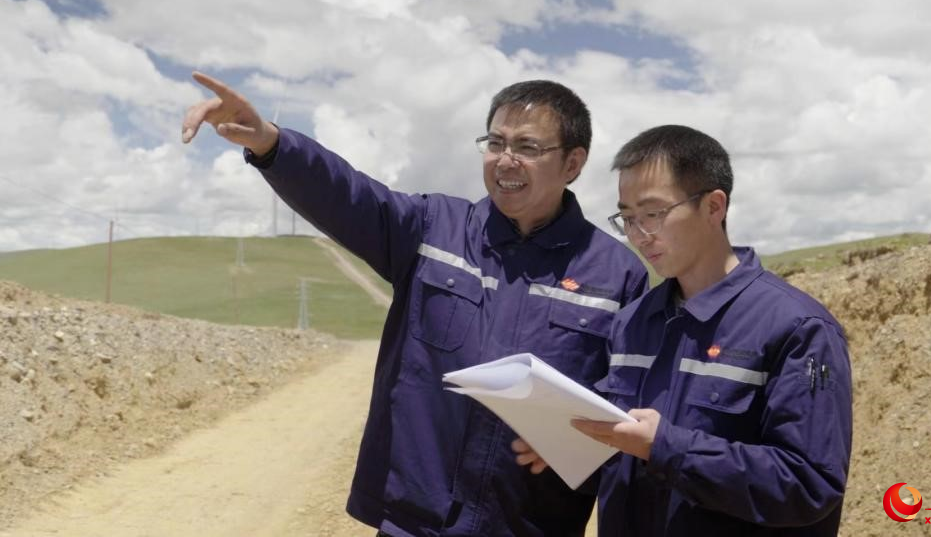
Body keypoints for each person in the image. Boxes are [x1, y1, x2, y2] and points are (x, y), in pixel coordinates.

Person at [181, 72, 649, 536]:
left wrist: (575, 442)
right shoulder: (432, 227)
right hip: (415, 520)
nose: (505, 161)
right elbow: (348, 195)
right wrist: (271, 144)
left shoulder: (617, 275)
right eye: (495, 143)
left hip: (527, 522)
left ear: (572, 163)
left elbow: (627, 402)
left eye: (527, 147)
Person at [515, 125, 853, 535]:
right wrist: (573, 443)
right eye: (627, 218)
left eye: (653, 214)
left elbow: (809, 485)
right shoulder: (632, 323)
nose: (639, 236)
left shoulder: (799, 328)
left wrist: (666, 447)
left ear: (713, 207)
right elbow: (625, 459)